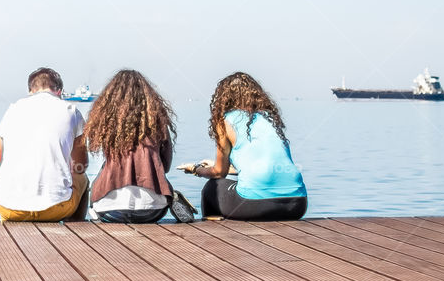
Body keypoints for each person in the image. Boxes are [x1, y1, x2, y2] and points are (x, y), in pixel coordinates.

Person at [180, 72, 307, 220]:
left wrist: (196, 169)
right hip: (297, 204)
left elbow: (219, 172)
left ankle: (212, 223)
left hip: (256, 204)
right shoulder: (269, 118)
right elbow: (258, 164)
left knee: (212, 187)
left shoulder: (225, 121)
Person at [85, 69, 193, 223]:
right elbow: (165, 168)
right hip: (152, 211)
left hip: (110, 211)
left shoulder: (107, 125)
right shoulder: (158, 123)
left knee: (99, 175)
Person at [0, 67, 89, 221]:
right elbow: (82, 165)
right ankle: (76, 229)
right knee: (83, 178)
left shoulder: (13, 110)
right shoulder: (71, 110)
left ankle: (8, 229)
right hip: (55, 209)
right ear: (59, 91)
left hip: (8, 209)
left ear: (30, 90)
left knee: (7, 192)